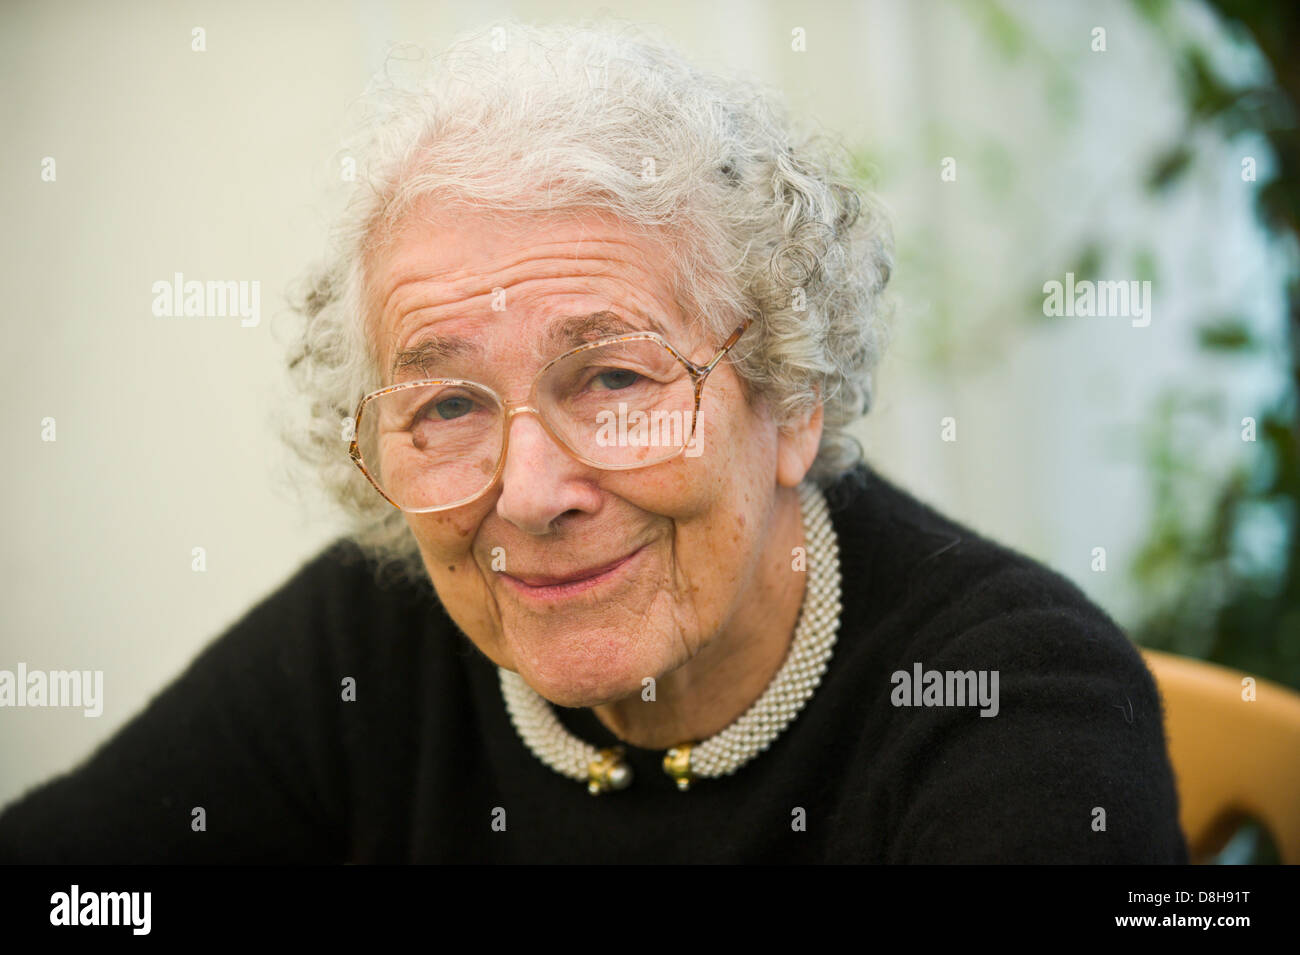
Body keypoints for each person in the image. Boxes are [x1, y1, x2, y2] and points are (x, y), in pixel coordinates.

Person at [0, 21, 1186, 863]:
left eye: (614, 378)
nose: (526, 493)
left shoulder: (1010, 703)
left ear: (792, 399)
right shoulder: (377, 639)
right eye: (449, 405)